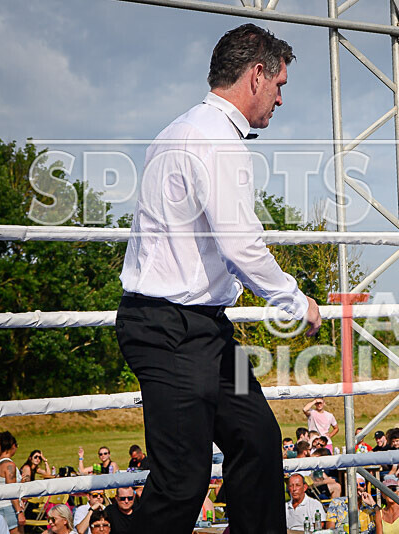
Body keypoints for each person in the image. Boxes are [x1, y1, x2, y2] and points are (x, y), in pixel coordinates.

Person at [115, 23, 321, 534]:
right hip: (171, 331)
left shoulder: (178, 131)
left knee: (257, 440)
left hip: (202, 330)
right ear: (256, 75)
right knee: (180, 482)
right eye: (280, 86)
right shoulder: (216, 141)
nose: (280, 100)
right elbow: (241, 245)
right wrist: (297, 302)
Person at [0, 432, 25, 534]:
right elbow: (11, 491)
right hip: (9, 508)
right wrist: (19, 511)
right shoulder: (9, 465)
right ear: (13, 446)